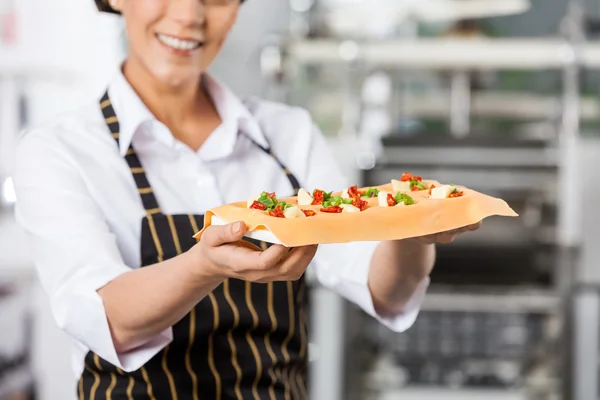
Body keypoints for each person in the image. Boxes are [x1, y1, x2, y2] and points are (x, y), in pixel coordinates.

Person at [12, 0, 481, 399]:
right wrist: (203, 266)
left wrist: (411, 234)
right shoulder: (60, 151)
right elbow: (109, 319)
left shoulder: (287, 135)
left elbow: (385, 289)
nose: (190, 15)